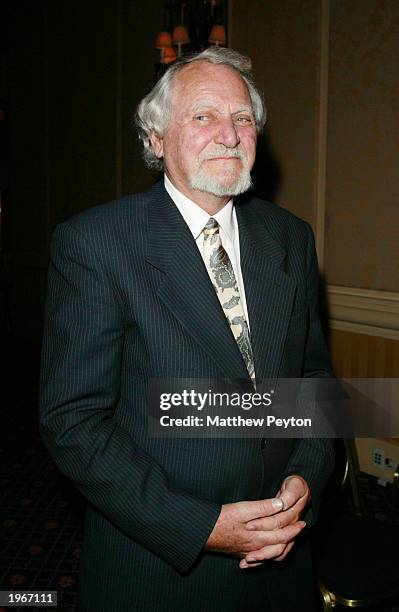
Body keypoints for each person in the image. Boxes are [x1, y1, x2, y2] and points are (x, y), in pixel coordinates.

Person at [39, 47, 334, 611]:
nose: (229, 134)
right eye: (204, 116)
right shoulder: (96, 244)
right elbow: (73, 422)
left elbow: (314, 379)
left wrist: (305, 479)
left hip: (284, 562)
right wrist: (202, 527)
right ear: (156, 139)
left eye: (242, 118)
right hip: (161, 572)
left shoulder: (290, 239)